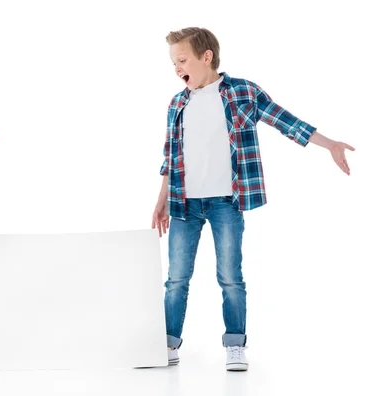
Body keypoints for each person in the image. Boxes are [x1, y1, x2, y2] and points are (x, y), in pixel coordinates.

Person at [151, 27, 354, 371]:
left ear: (206, 57)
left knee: (230, 276)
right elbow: (172, 156)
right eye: (173, 62)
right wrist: (161, 200)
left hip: (226, 203)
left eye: (182, 59)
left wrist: (329, 143)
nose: (176, 68)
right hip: (184, 204)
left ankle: (234, 344)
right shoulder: (178, 102)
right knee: (176, 279)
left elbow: (285, 121)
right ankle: (168, 343)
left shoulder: (242, 91)